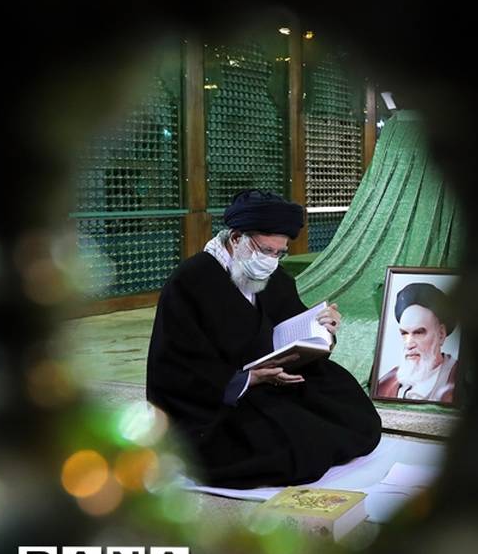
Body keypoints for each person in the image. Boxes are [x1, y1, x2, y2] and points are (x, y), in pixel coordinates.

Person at [146, 189, 381, 488]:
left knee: (354, 409)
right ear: (236, 238)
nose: (271, 260)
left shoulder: (274, 277)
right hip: (218, 397)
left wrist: (323, 327)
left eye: (279, 253)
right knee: (293, 445)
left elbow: (295, 325)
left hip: (275, 377)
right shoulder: (190, 280)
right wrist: (249, 379)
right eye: (266, 250)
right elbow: (175, 367)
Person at [375, 282, 459, 403]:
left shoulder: (460, 380)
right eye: (404, 333)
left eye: (419, 333)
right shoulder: (386, 384)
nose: (409, 344)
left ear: (441, 334)